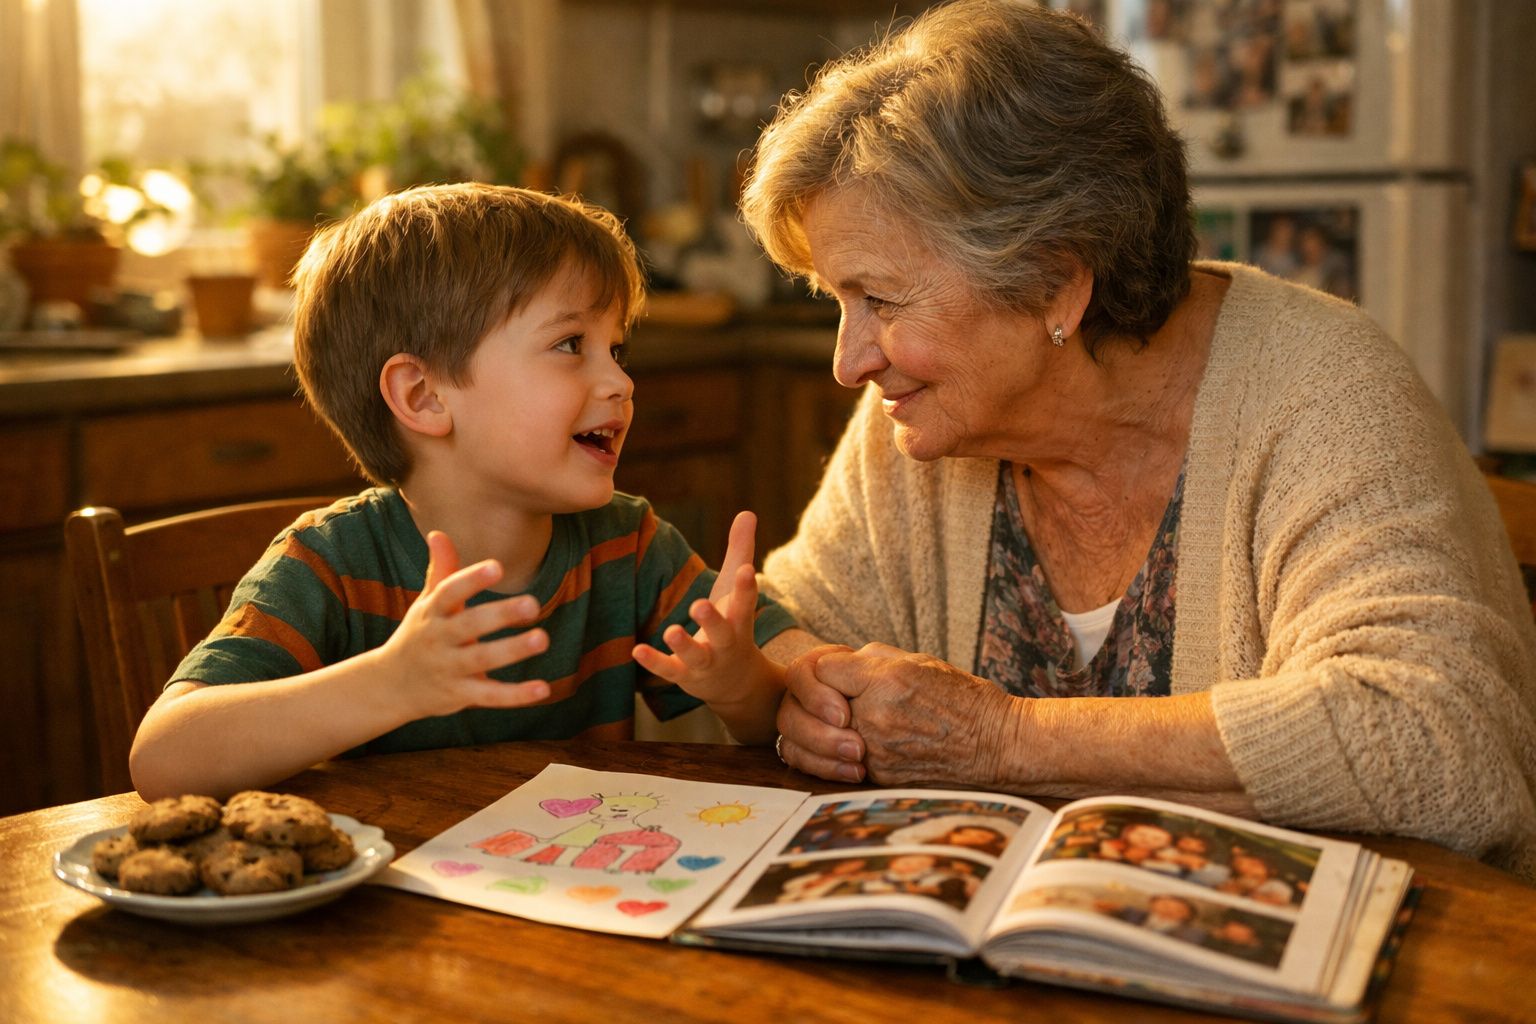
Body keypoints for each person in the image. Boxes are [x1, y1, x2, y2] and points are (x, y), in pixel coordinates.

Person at [742, 0, 1536, 881]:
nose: (850, 363)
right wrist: (803, 686)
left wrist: (1001, 740)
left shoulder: (1326, 394)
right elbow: (788, 618)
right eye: (837, 302)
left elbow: (1431, 741)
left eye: (882, 301)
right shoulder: (926, 419)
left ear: (1055, 284)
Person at [130, 183, 797, 799]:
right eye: (571, 344)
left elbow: (782, 706)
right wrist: (392, 683)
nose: (620, 382)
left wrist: (743, 689)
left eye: (615, 349)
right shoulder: (331, 566)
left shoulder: (630, 546)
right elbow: (163, 759)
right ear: (423, 397)